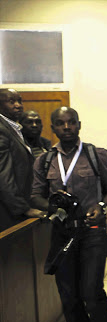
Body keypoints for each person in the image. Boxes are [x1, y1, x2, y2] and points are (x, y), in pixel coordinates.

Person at [31, 107, 107, 322]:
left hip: (92, 231)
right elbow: (35, 195)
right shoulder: (45, 160)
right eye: (61, 124)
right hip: (62, 232)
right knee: (69, 296)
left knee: (91, 291)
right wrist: (53, 206)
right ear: (53, 128)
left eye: (71, 122)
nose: (67, 127)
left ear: (79, 125)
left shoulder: (96, 154)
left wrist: (101, 205)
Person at [0, 88, 46, 231]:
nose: (18, 105)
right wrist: (23, 209)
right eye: (11, 101)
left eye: (19, 101)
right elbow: (3, 175)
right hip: (8, 212)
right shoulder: (2, 129)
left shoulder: (13, 128)